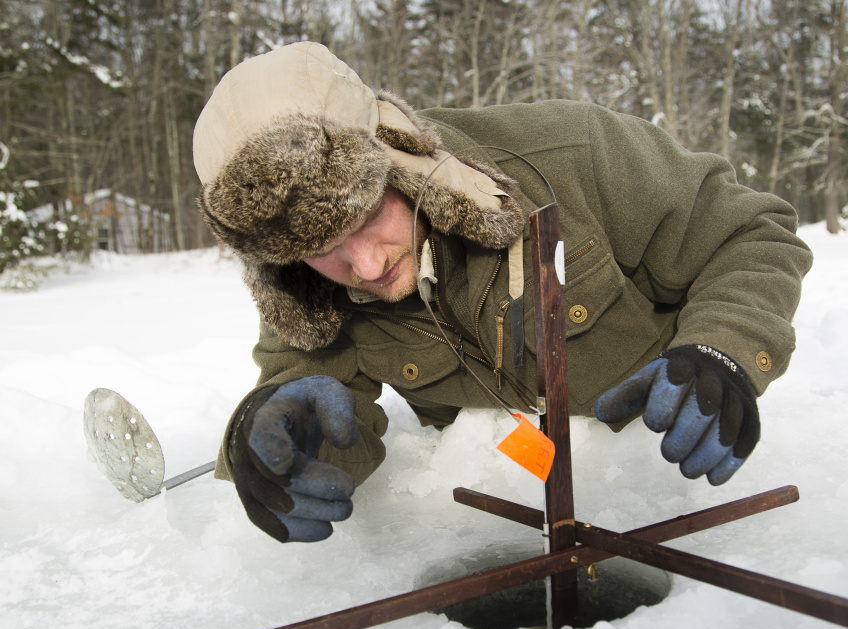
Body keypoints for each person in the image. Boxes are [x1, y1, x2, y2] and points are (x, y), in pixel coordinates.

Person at [193, 42, 813, 543]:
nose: (364, 263)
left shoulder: (570, 153)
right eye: (319, 246)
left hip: (665, 485)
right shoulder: (306, 289)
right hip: (500, 505)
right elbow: (304, 392)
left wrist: (723, 352)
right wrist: (270, 447)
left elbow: (749, 234)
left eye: (363, 218)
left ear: (395, 153)